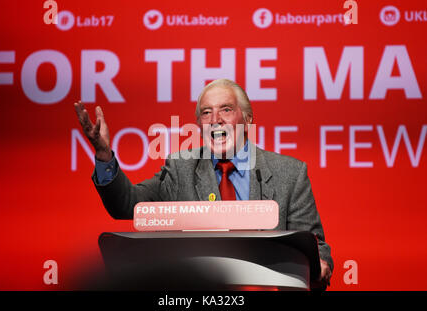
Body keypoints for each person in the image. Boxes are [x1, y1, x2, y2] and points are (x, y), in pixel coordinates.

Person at [74, 78, 333, 289]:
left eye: (226, 109)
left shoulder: (290, 172)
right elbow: (127, 205)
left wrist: (319, 263)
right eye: (206, 112)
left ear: (248, 120)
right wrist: (103, 154)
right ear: (199, 125)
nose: (215, 119)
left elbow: (315, 246)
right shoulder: (180, 168)